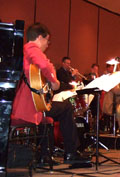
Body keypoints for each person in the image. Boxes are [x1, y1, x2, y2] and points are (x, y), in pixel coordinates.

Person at [11, 23, 90, 165]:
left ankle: (45, 155)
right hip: (31, 107)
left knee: (51, 110)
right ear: (40, 38)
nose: (48, 44)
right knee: (66, 107)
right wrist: (54, 81)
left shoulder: (25, 51)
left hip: (31, 105)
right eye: (48, 41)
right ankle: (71, 153)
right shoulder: (31, 49)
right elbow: (44, 64)